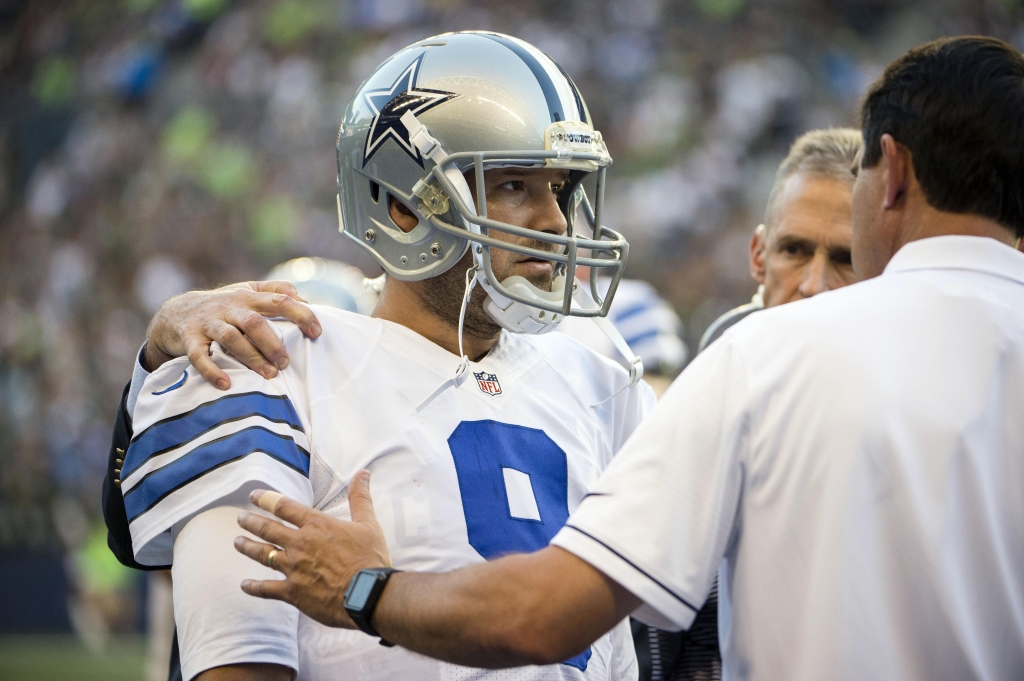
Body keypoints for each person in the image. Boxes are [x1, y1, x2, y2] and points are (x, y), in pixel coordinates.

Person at [231, 36, 1024, 681]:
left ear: (895, 174)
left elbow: (543, 615)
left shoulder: (763, 355)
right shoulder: (289, 354)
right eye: (515, 185)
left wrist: (369, 587)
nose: (549, 219)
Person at [109, 31, 655, 681]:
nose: (556, 222)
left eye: (561, 188)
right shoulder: (276, 366)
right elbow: (239, 665)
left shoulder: (601, 372)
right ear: (402, 204)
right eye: (514, 185)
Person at [698, 127, 860, 352]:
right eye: (794, 250)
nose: (813, 286)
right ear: (758, 254)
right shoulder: (714, 368)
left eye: (846, 260)